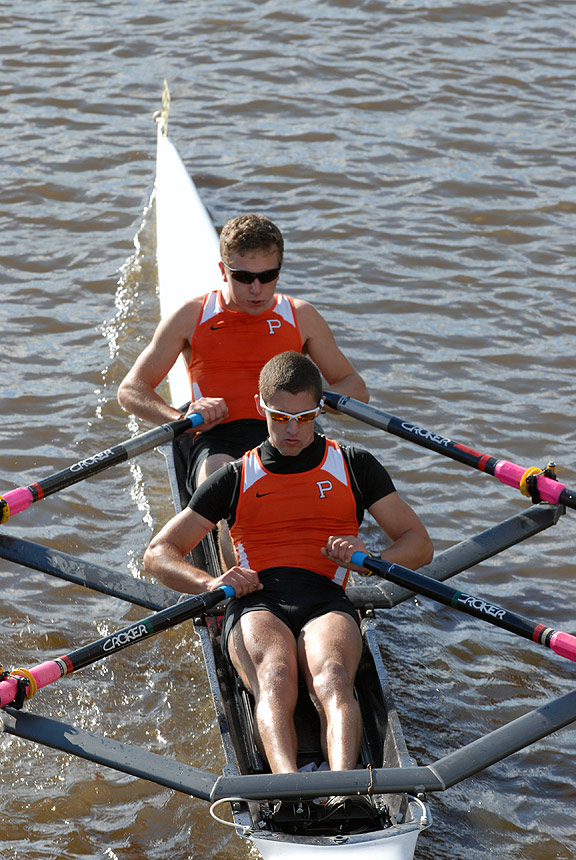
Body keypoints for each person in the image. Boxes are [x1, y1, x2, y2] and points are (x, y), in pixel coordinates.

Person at [143, 351, 433, 778]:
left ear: (319, 409)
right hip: (256, 599)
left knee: (333, 678)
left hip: (326, 598)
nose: (293, 429)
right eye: (280, 417)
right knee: (276, 677)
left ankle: (342, 786)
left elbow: (418, 544)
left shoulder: (355, 465)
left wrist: (371, 560)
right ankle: (285, 785)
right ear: (260, 407)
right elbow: (159, 553)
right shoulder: (236, 476)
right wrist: (210, 583)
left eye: (305, 417)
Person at [118, 213, 368, 495]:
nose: (256, 289)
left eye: (267, 276)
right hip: (219, 440)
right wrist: (179, 420)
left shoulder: (302, 316)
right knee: (225, 481)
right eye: (243, 277)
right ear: (223, 271)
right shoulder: (191, 317)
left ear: (280, 268)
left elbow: (356, 389)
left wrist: (307, 405)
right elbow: (131, 390)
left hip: (291, 434)